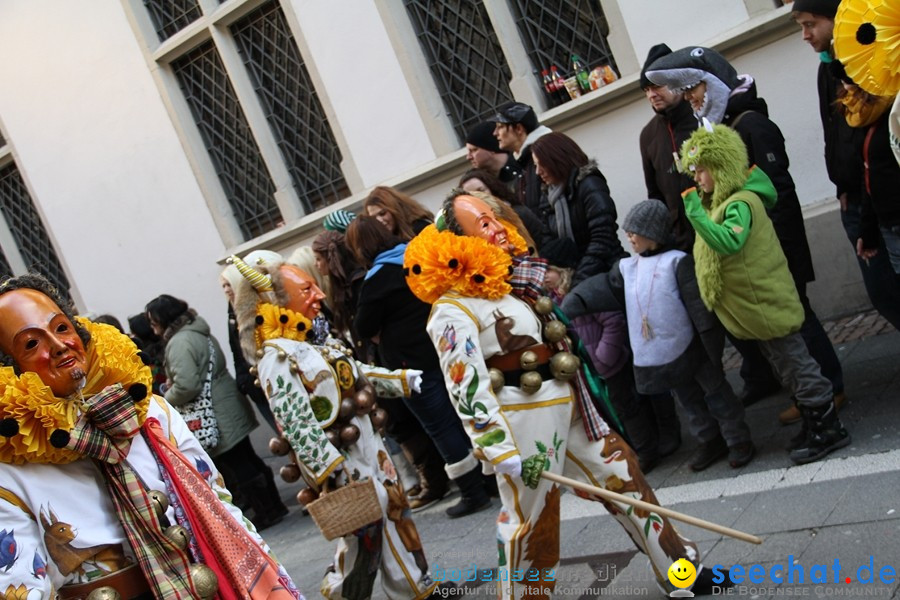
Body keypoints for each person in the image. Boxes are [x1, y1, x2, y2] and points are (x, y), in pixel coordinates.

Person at [405, 192, 721, 598]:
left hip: (572, 408)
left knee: (627, 481)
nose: (499, 227)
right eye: (483, 223)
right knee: (531, 524)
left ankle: (682, 574)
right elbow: (464, 384)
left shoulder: (513, 283)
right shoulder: (453, 308)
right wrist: (497, 448)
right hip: (523, 427)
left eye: (495, 218)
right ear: (455, 240)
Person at [0, 274, 301, 599]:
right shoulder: (11, 469)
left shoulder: (149, 411)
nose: (59, 346)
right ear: (8, 368)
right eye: (32, 343)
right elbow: (22, 588)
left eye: (61, 328)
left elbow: (220, 506)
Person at [645, 46, 845, 414]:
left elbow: (778, 192)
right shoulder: (724, 125)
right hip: (757, 248)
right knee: (785, 326)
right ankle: (810, 395)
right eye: (687, 93)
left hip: (775, 246)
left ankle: (828, 390)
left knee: (797, 318)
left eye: (695, 91)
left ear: (715, 85)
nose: (691, 100)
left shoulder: (751, 123)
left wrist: (778, 251)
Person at [228, 255, 438, 599]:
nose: (319, 295)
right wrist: (329, 468)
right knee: (363, 535)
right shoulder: (278, 357)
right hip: (341, 458)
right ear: (276, 300)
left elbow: (356, 374)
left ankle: (415, 586)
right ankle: (340, 592)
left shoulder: (314, 338)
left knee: (394, 512)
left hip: (370, 446)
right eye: (307, 289)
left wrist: (402, 379)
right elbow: (295, 422)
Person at [678, 123, 851, 464]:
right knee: (785, 367)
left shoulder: (741, 203)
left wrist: (695, 213)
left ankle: (828, 427)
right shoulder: (722, 202)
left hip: (766, 302)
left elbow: (728, 240)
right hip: (753, 307)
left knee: (797, 364)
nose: (696, 178)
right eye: (694, 171)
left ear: (722, 167)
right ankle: (813, 420)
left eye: (701, 170)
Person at [566, 200, 754, 471]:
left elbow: (699, 309)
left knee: (716, 393)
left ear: (652, 234)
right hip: (664, 351)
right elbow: (605, 288)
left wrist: (711, 346)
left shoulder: (677, 263)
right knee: (688, 399)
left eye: (634, 232)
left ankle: (738, 439)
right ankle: (709, 439)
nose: (628, 237)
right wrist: (574, 302)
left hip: (694, 346)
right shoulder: (628, 268)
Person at [346, 215, 493, 518]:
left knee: (441, 427)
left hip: (411, 366)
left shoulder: (377, 278)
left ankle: (472, 491)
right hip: (446, 349)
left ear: (360, 248)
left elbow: (363, 326)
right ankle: (491, 480)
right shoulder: (418, 254)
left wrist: (379, 331)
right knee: (468, 412)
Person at [792, 0, 900, 330]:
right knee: (883, 292)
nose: (805, 35)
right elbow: (836, 136)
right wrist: (843, 188)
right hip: (859, 201)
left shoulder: (872, 62)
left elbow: (874, 151)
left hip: (880, 200)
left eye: (810, 24)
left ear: (834, 19)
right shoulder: (828, 69)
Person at [145, 294, 288, 531]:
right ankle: (274, 506)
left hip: (216, 412)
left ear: (164, 318)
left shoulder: (180, 342)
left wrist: (164, 401)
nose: (153, 327)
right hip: (226, 404)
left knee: (240, 464)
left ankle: (267, 511)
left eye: (153, 321)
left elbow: (187, 385)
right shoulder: (196, 331)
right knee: (248, 458)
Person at [545, 264, 681, 473]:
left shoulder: (581, 293)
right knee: (625, 405)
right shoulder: (555, 301)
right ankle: (645, 446)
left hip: (611, 360)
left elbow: (613, 322)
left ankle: (647, 452)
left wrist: (603, 356)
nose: (544, 277)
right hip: (597, 366)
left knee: (629, 405)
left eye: (549, 271)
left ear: (561, 270)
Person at [531, 131, 628, 287]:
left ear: (557, 159)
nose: (538, 171)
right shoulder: (548, 195)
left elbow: (603, 238)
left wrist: (578, 280)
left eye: (542, 164)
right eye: (535, 165)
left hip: (607, 272)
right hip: (572, 276)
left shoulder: (589, 184)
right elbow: (549, 241)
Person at [638, 43, 702, 253]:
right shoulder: (648, 135)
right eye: (646, 90)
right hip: (682, 245)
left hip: (719, 229)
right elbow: (655, 195)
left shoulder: (702, 117)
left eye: (657, 86)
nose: (651, 95)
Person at [221, 251, 281, 432]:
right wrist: (243, 380)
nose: (226, 290)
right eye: (223, 286)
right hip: (255, 385)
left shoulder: (260, 307)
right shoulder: (231, 316)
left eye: (228, 284)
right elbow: (236, 352)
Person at [492, 102, 552, 225]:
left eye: (500, 127)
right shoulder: (522, 161)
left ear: (519, 129)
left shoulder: (546, 155)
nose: (495, 133)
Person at [458, 169, 540, 253]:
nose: (479, 197)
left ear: (492, 188)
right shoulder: (471, 233)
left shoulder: (520, 212)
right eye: (472, 195)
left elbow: (544, 241)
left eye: (481, 190)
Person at [363, 186, 433, 242]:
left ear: (395, 209)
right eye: (373, 218)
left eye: (382, 213)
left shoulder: (422, 228)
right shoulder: (381, 242)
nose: (379, 220)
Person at [464, 121, 522, 186]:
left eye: (473, 150)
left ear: (491, 149)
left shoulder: (524, 165)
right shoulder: (483, 184)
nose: (468, 157)